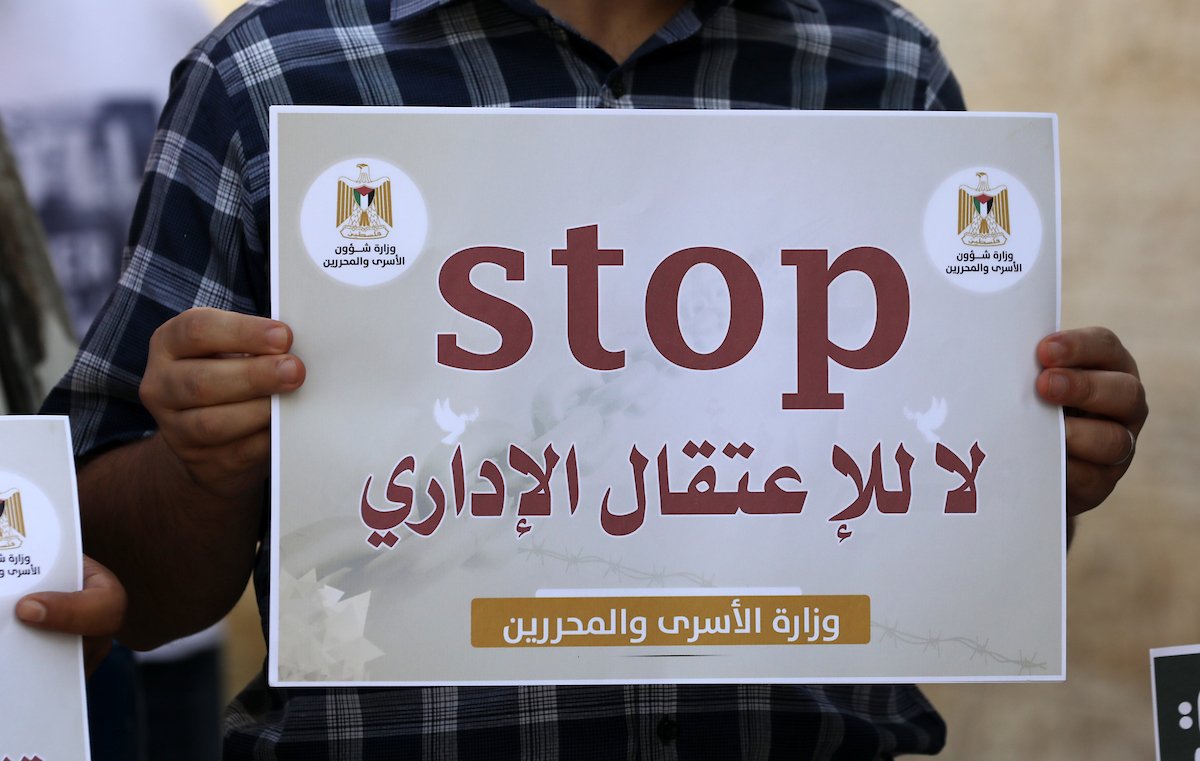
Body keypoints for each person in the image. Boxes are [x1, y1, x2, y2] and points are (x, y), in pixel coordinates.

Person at [38, 0, 1149, 757]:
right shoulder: (270, 74)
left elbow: (941, 544)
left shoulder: (884, 69)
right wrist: (202, 462)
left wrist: (1032, 464)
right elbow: (119, 585)